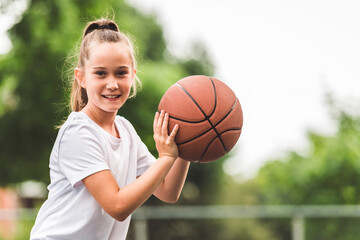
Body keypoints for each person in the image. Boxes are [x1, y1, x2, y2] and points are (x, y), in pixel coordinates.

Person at [30, 18, 190, 240]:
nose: (112, 83)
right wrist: (164, 157)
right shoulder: (78, 132)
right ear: (82, 78)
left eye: (121, 73)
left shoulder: (125, 130)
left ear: (133, 75)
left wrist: (187, 145)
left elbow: (168, 191)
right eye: (101, 73)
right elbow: (117, 205)